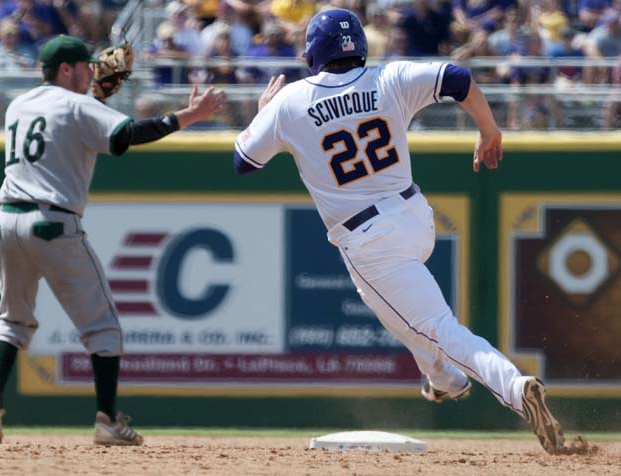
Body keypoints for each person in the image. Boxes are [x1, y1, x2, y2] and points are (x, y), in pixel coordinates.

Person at [233, 9, 566, 455]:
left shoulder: (290, 101)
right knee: (411, 319)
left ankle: (515, 387)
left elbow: (243, 162)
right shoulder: (388, 78)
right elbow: (458, 77)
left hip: (368, 239)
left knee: (435, 326)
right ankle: (444, 380)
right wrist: (488, 130)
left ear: (313, 51)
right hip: (414, 216)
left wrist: (264, 113)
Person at [0, 35, 226, 445]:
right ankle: (107, 420)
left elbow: (70, 127)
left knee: (12, 320)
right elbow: (129, 135)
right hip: (53, 224)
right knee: (103, 328)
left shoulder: (18, 105)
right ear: (66, 70)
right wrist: (188, 115)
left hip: (5, 223)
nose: (94, 71)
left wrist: (98, 99)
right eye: (86, 66)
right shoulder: (79, 104)